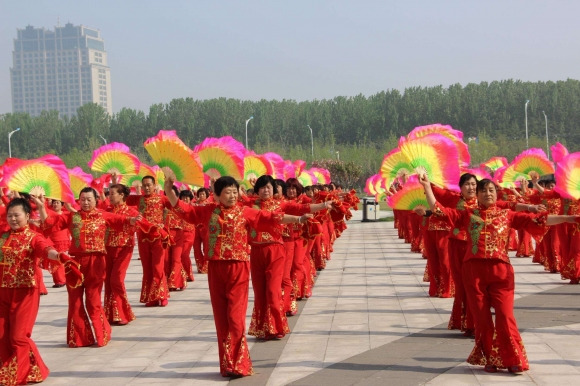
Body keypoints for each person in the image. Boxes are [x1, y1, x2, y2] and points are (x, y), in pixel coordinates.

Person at [420, 175, 579, 373]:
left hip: (501, 273)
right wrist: (427, 186)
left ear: (496, 194)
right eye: (483, 190)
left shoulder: (507, 214)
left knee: (505, 316)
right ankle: (491, 358)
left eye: (491, 190)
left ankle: (513, 358)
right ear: (477, 195)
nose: (488, 193)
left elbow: (540, 219)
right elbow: (439, 210)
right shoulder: (468, 214)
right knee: (482, 319)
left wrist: (570, 218)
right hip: (474, 272)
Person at [164, 175, 309, 377]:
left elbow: (271, 218)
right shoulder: (208, 211)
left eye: (234, 192)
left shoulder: (245, 212)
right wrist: (169, 190)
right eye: (227, 192)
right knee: (221, 319)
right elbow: (184, 210)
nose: (232, 196)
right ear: (216, 195)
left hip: (238, 268)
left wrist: (298, 219)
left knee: (235, 317)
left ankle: (240, 363)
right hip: (215, 268)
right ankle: (227, 364)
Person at [39, 187, 140, 347]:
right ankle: (80, 339)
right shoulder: (73, 216)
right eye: (83, 199)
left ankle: (102, 333)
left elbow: (121, 220)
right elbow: (49, 224)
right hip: (74, 263)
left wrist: (132, 220)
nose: (85, 202)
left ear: (96, 201)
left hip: (96, 262)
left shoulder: (103, 215)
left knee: (93, 301)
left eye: (89, 199)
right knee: (75, 301)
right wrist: (40, 205)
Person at [244, 175, 333, 340]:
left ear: (274, 190)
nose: (266, 190)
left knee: (272, 291)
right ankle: (263, 328)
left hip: (275, 251)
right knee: (260, 292)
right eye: (262, 187)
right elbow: (230, 200)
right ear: (257, 190)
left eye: (269, 187)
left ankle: (277, 326)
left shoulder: (280, 204)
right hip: (256, 252)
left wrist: (322, 205)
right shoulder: (251, 204)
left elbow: (302, 208)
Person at [0, 198, 64, 385]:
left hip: (25, 292)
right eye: (10, 215)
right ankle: (31, 369)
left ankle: (16, 376)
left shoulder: (33, 237)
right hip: (2, 291)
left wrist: (58, 255)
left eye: (16, 215)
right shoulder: (3, 236)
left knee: (19, 336)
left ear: (27, 216)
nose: (13, 219)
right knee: (2, 335)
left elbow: (46, 249)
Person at [126, 176, 172, 307]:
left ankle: (161, 295)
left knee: (158, 268)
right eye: (144, 185)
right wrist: (113, 181)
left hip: (158, 236)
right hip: (143, 237)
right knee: (147, 268)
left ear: (154, 185)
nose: (146, 188)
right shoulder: (138, 199)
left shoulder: (162, 199)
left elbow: (176, 205)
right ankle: (151, 297)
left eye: (149, 185)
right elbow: (121, 198)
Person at [104, 183, 139, 325]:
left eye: (112, 194)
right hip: (107, 248)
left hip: (124, 248)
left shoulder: (132, 212)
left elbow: (141, 226)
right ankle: (111, 314)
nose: (110, 197)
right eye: (109, 194)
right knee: (108, 281)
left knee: (116, 280)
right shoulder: (107, 210)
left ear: (122, 195)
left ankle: (124, 312)